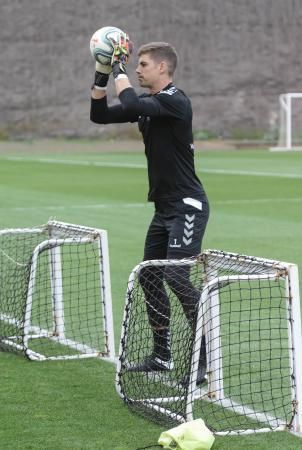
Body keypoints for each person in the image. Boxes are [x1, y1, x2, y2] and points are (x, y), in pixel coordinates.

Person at [90, 35, 210, 385]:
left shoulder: (176, 101)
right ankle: (162, 355)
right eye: (136, 65)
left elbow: (128, 102)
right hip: (163, 209)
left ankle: (204, 357)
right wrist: (101, 74)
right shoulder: (151, 103)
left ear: (162, 67)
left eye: (143, 65)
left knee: (176, 277)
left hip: (188, 206)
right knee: (149, 276)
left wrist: (117, 68)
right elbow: (100, 115)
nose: (138, 70)